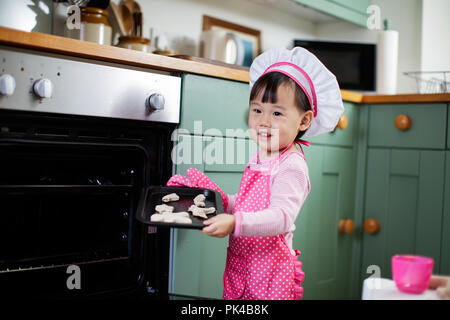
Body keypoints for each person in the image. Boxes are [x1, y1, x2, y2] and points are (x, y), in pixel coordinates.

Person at [167, 47, 344, 300]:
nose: (263, 121)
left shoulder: (291, 166)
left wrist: (235, 223)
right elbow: (253, 202)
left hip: (270, 277)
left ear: (304, 121)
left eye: (277, 113)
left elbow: (281, 216)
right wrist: (225, 202)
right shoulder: (263, 155)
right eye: (257, 110)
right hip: (245, 269)